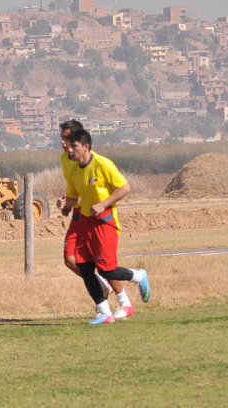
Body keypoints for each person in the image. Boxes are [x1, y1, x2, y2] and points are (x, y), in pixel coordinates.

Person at [60, 129, 151, 325]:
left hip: (105, 222)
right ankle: (104, 312)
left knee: (106, 270)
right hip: (85, 222)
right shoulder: (74, 169)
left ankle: (138, 275)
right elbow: (73, 196)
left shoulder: (102, 164)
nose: (70, 150)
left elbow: (125, 187)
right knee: (84, 268)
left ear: (86, 147)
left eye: (74, 146)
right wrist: (66, 206)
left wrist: (103, 204)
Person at [56, 120, 113, 301]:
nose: (63, 142)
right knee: (69, 259)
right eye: (61, 138)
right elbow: (75, 189)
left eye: (66, 138)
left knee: (102, 263)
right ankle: (102, 286)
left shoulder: (90, 160)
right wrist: (67, 204)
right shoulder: (64, 159)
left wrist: (71, 202)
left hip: (93, 216)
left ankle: (129, 287)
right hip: (77, 214)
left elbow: (87, 193)